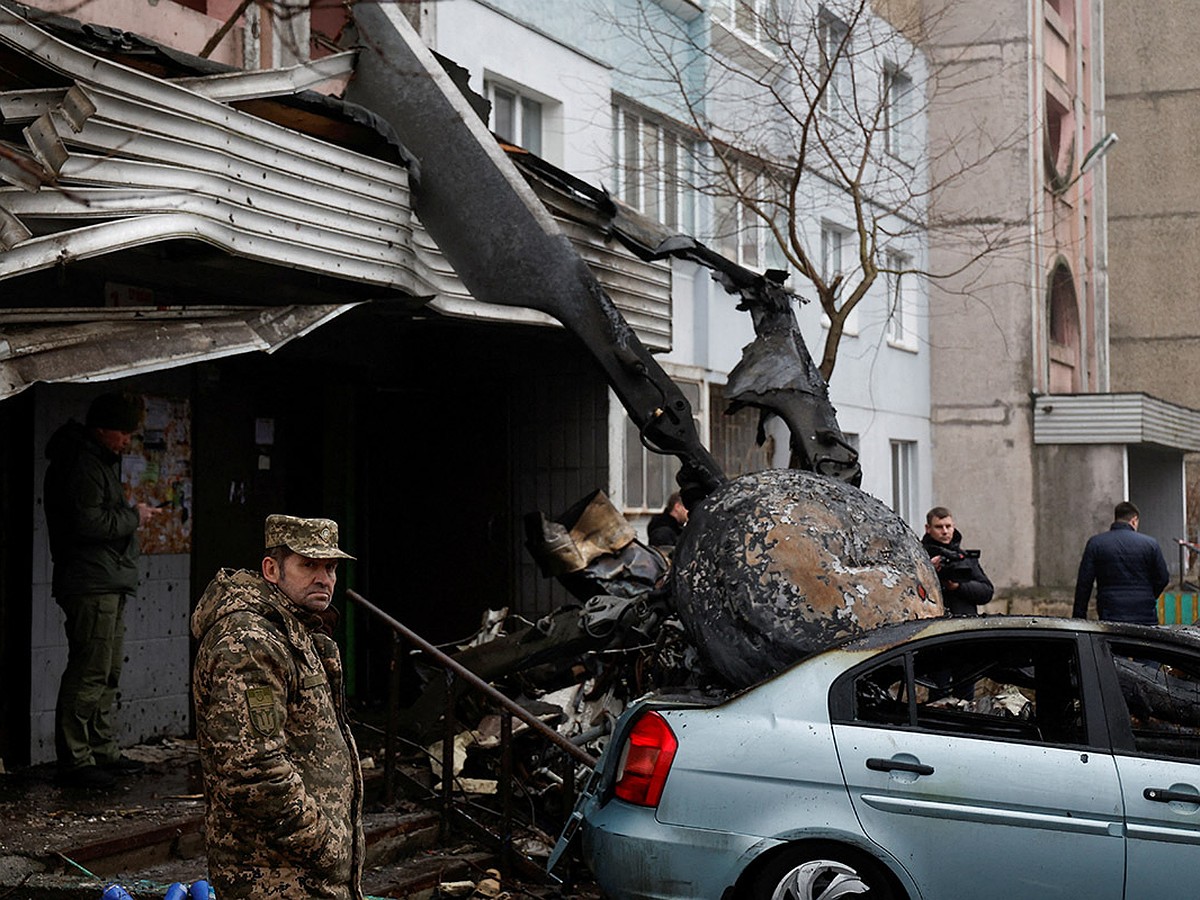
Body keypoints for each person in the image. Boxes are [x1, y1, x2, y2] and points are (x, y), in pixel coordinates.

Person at [192, 514, 364, 900]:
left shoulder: (294, 630)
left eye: (331, 567)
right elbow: (252, 769)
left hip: (304, 874)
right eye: (308, 565)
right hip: (273, 876)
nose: (324, 578)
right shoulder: (250, 641)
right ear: (272, 569)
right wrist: (323, 843)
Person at [44, 391, 161, 789]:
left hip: (105, 579)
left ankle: (100, 748)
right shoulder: (82, 465)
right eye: (123, 432)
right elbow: (88, 524)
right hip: (90, 581)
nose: (127, 440)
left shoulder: (96, 462)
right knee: (89, 670)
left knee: (106, 670)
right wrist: (133, 517)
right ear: (102, 429)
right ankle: (76, 758)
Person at [1073, 501, 1169, 624]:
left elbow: (1084, 584)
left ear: (1116, 518)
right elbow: (1163, 578)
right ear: (1134, 520)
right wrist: (1148, 595)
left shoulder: (1096, 543)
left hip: (1110, 612)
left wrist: (1079, 617)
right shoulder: (1150, 544)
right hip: (1144, 614)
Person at [922, 506, 994, 616]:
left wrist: (958, 586)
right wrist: (928, 571)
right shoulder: (921, 557)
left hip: (963, 623)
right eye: (939, 527)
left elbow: (986, 592)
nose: (945, 531)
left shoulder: (962, 557)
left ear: (953, 527)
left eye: (948, 526)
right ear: (928, 528)